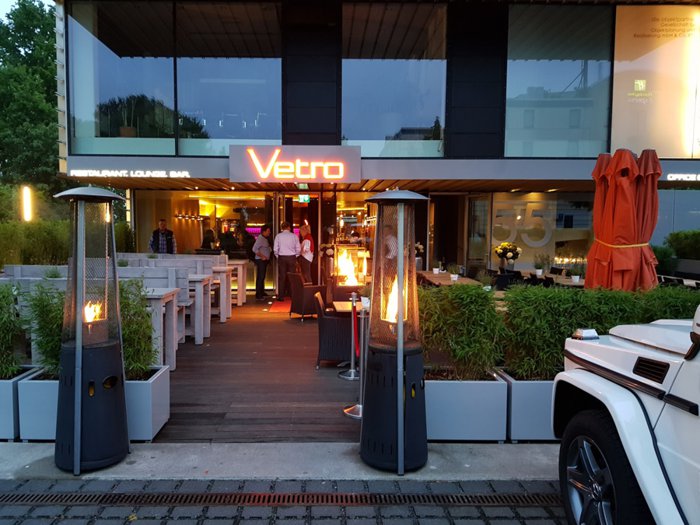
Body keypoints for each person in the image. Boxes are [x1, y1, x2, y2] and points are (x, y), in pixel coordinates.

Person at [273, 221, 300, 301]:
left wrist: (278, 256)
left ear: (282, 228)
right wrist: (295, 256)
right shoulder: (294, 236)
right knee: (292, 277)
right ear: (289, 227)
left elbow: (275, 249)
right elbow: (298, 248)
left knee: (282, 277)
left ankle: (281, 296)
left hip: (282, 257)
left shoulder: (278, 236)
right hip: (292, 257)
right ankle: (293, 295)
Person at [252, 224, 272, 301]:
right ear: (264, 231)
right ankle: (258, 295)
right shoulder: (260, 239)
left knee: (262, 276)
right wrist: (262, 256)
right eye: (268, 231)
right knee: (260, 277)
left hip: (264, 260)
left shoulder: (264, 239)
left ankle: (262, 292)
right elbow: (254, 249)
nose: (269, 232)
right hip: (261, 261)